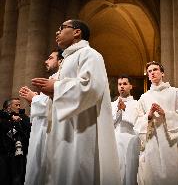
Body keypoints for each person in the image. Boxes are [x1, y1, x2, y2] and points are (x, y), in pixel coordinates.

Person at [30, 19, 121, 185]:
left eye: (62, 28)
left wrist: (56, 87)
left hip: (81, 129)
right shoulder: (66, 61)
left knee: (78, 172)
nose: (57, 32)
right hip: (63, 129)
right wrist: (49, 93)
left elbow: (92, 86)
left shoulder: (90, 54)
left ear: (77, 32)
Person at [134, 61, 178, 185]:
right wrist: (148, 116)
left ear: (162, 73)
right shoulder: (144, 97)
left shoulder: (175, 92)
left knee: (172, 174)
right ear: (148, 76)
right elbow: (137, 122)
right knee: (152, 175)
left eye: (155, 70)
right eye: (149, 71)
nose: (152, 73)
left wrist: (166, 114)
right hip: (153, 141)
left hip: (171, 141)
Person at [19, 48, 63, 185]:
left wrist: (34, 98)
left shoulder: (61, 79)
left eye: (50, 58)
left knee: (45, 170)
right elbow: (47, 104)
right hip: (41, 127)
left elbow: (57, 104)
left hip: (50, 129)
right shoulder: (52, 78)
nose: (46, 61)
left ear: (60, 61)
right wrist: (33, 99)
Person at [111, 75, 140, 185]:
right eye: (120, 84)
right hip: (116, 140)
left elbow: (137, 122)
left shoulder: (137, 104)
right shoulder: (112, 104)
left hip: (131, 140)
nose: (122, 86)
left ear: (130, 86)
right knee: (117, 169)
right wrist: (118, 110)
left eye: (125, 84)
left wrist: (124, 110)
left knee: (131, 170)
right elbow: (109, 123)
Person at [0, 98, 31, 185]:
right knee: (4, 177)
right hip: (4, 153)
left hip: (19, 153)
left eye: (19, 105)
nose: (19, 107)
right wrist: (11, 117)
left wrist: (20, 120)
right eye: (16, 105)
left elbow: (29, 128)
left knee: (18, 177)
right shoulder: (3, 117)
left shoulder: (22, 117)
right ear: (9, 107)